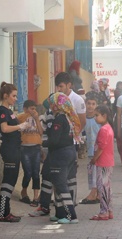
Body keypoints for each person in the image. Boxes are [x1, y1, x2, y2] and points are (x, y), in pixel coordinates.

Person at [42, 92, 79, 224]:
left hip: (60, 155)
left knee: (61, 185)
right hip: (69, 153)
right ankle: (59, 213)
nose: (51, 105)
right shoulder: (67, 117)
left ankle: (71, 215)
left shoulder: (59, 119)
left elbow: (54, 141)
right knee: (60, 184)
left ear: (57, 105)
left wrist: (42, 143)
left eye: (52, 103)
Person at [0, 82, 29, 222]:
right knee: (8, 181)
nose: (16, 98)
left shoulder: (8, 111)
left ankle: (6, 211)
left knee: (12, 180)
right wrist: (19, 127)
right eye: (13, 96)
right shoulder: (3, 111)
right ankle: (3, 213)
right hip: (9, 149)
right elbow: (4, 129)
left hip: (14, 148)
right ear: (6, 96)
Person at [55, 72, 85, 204]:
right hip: (59, 143)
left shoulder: (78, 100)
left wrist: (73, 134)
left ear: (69, 85)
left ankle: (71, 201)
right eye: (57, 86)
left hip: (72, 141)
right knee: (59, 173)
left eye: (61, 86)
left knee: (71, 173)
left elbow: (82, 121)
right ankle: (60, 200)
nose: (59, 89)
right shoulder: (55, 98)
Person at [89, 105, 115, 220]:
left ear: (104, 116)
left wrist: (94, 159)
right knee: (106, 187)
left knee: (102, 187)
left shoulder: (104, 130)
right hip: (108, 161)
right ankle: (108, 210)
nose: (95, 118)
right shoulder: (108, 128)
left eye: (96, 115)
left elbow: (101, 147)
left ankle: (104, 211)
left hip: (103, 162)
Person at [17, 100, 44, 206]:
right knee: (28, 172)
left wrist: (37, 119)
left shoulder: (38, 118)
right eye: (31, 108)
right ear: (25, 109)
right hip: (24, 148)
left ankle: (35, 197)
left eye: (34, 108)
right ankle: (24, 191)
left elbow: (41, 132)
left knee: (36, 173)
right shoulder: (20, 117)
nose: (33, 111)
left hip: (36, 148)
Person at [79, 92, 102, 205]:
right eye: (88, 103)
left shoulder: (99, 120)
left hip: (98, 150)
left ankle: (93, 193)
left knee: (96, 172)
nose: (90, 106)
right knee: (92, 171)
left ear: (96, 106)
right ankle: (96, 193)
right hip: (89, 150)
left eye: (93, 104)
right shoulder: (83, 119)